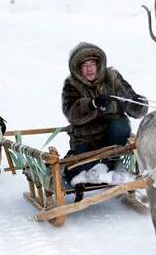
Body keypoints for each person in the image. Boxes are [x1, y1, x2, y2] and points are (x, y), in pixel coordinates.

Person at [61, 42, 148, 182]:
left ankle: (108, 163)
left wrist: (137, 103)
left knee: (120, 125)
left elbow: (129, 100)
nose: (89, 69)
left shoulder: (112, 78)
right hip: (86, 139)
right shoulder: (72, 84)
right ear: (78, 69)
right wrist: (92, 104)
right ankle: (105, 165)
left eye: (92, 64)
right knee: (75, 172)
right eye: (85, 65)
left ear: (98, 64)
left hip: (112, 139)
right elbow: (71, 114)